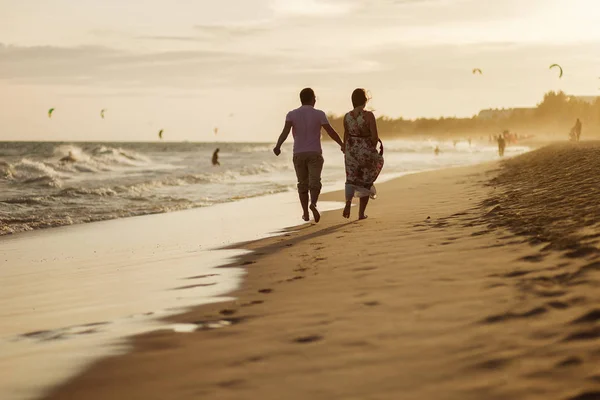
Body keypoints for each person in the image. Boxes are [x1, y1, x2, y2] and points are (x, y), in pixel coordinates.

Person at [273, 88, 344, 223]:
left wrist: (278, 146)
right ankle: (314, 203)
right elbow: (330, 131)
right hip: (315, 153)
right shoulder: (319, 114)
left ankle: (305, 213)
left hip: (298, 154)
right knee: (315, 182)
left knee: (302, 184)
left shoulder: (292, 114)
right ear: (313, 99)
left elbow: (285, 132)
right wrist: (342, 144)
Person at [342, 88, 384, 220]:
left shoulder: (347, 116)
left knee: (351, 179)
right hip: (365, 151)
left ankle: (348, 203)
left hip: (351, 151)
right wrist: (371, 148)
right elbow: (374, 136)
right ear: (365, 101)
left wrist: (346, 149)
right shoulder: (369, 116)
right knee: (366, 181)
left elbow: (346, 135)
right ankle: (361, 214)